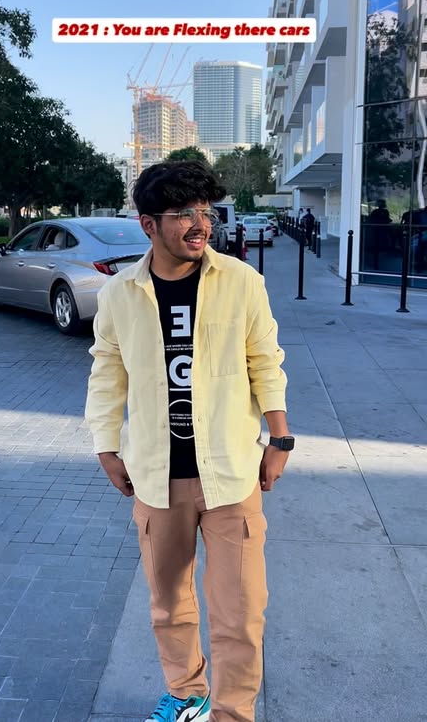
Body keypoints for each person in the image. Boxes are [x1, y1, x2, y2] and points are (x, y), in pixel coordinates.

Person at [85, 160, 293, 722]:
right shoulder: (121, 293)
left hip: (230, 473)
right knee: (169, 605)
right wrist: (105, 444)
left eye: (205, 211)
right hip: (157, 476)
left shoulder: (241, 282)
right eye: (182, 213)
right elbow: (107, 370)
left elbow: (265, 361)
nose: (200, 224)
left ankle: (232, 714)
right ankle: (187, 696)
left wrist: (280, 438)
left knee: (240, 613)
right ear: (148, 224)